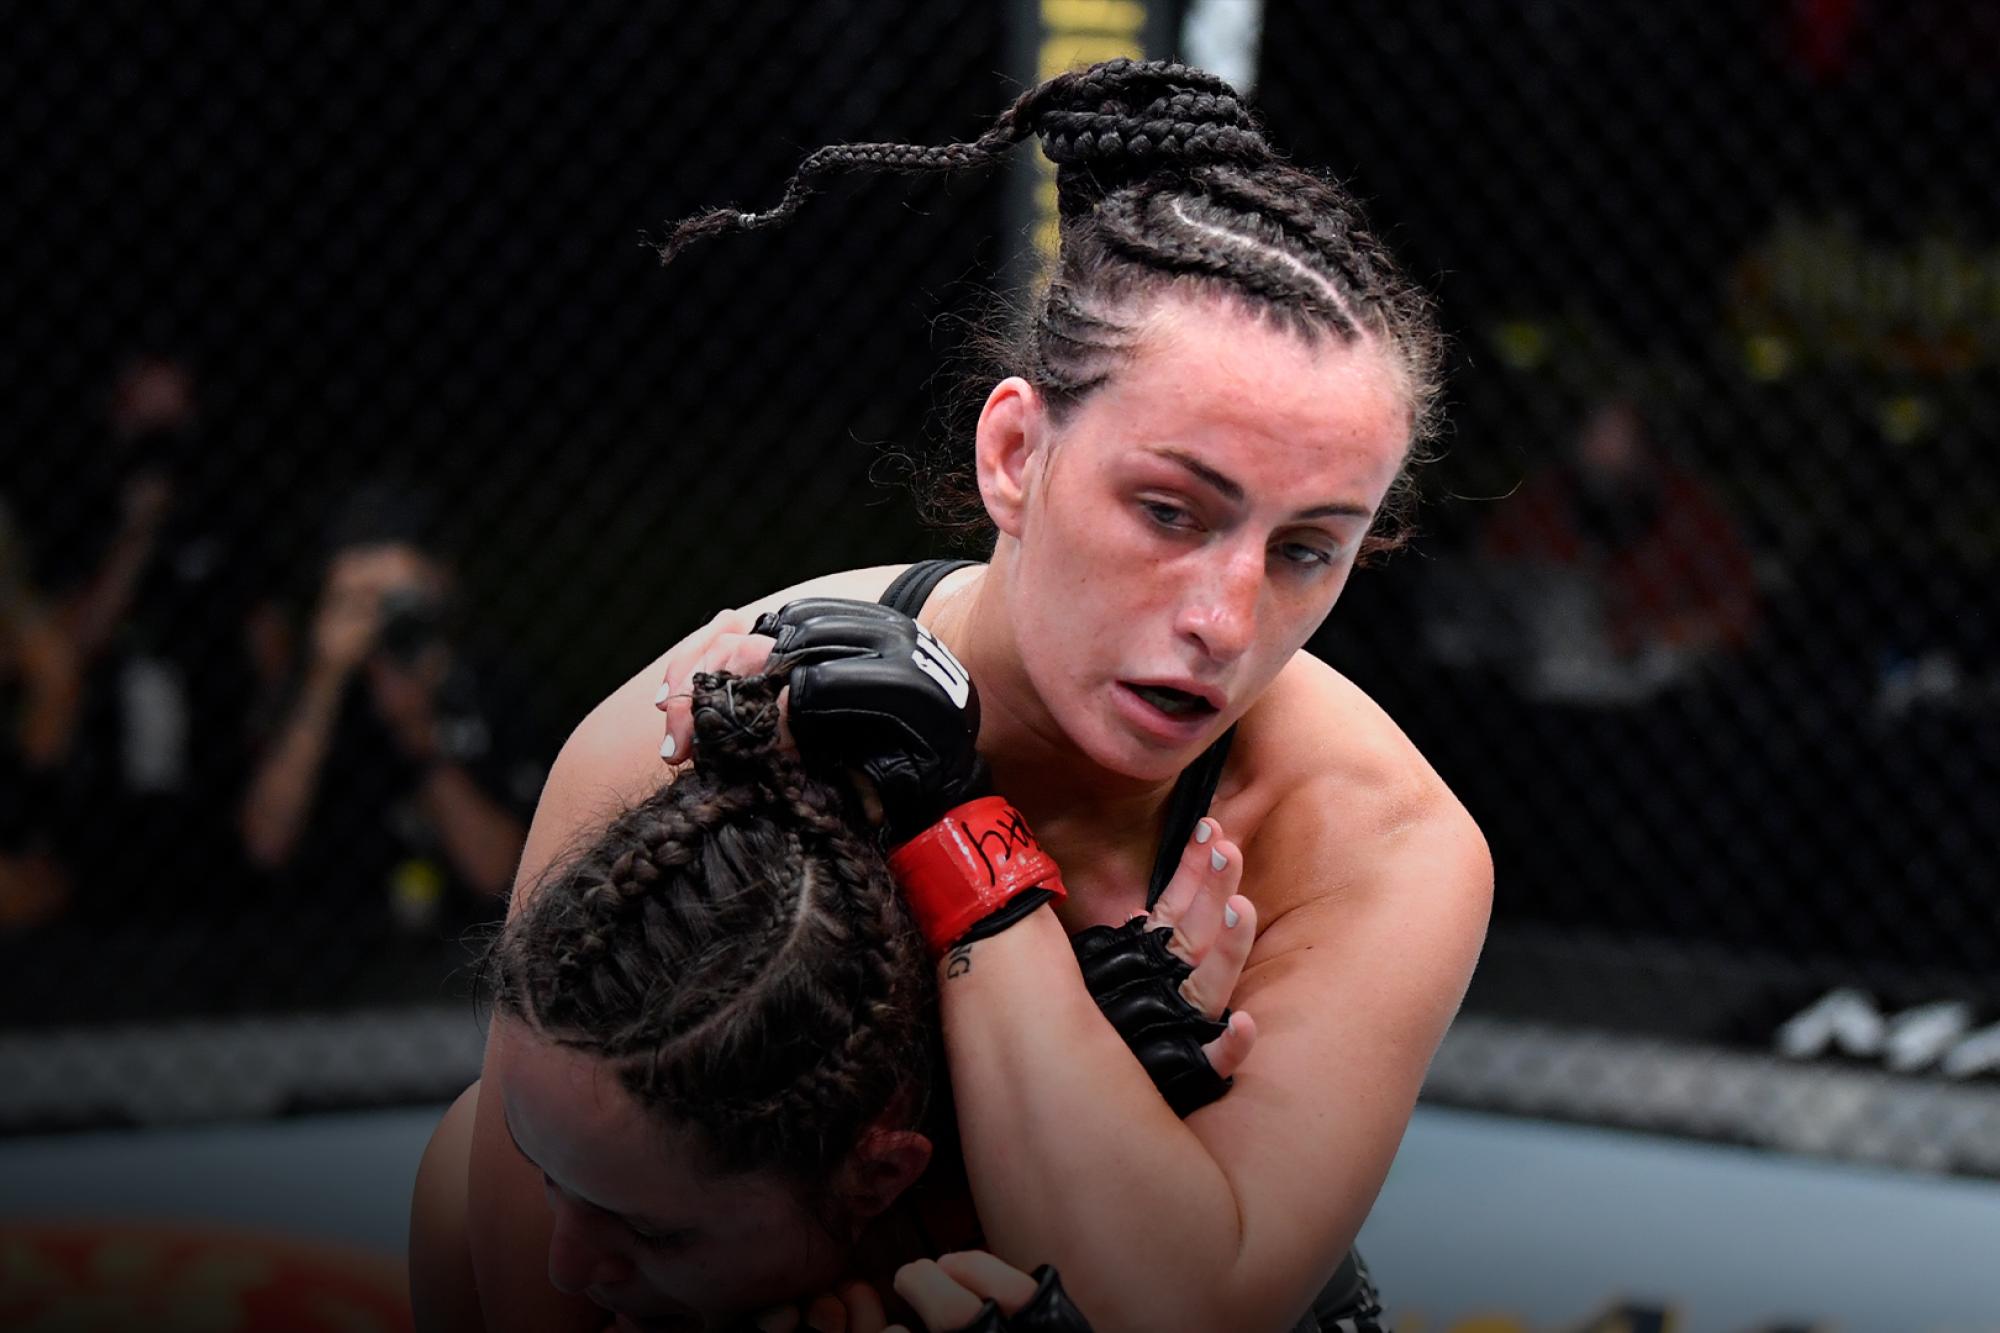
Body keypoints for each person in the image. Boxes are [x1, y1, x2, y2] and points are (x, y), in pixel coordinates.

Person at [470, 58, 1491, 1332]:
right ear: (1013, 453)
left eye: (1304, 550)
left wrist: (947, 828)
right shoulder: (702, 722)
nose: (1223, 623)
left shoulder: (1375, 840)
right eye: (1168, 511)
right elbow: (516, 1268)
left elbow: (1184, 1311)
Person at [412, 668, 1111, 1332]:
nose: (564, 1267)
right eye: (543, 1173)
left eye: (652, 1233)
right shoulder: (468, 1191)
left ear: (876, 1177)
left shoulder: (1068, 1250)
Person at [241, 482, 541, 957]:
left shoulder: (490, 683)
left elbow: (501, 875)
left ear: (441, 583)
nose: (379, 618)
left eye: (394, 598)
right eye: (357, 601)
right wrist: (325, 679)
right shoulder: (310, 692)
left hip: (471, 955)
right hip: (325, 957)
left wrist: (419, 735)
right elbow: (265, 842)